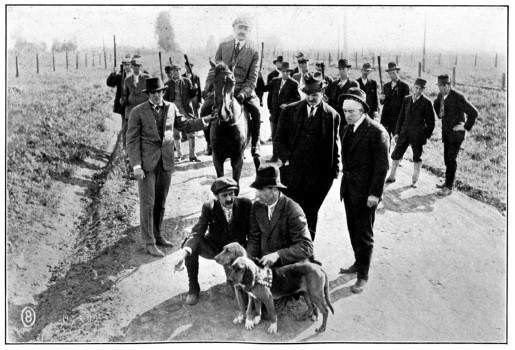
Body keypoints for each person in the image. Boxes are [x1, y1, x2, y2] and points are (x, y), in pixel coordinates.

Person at [126, 77, 215, 257]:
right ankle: (148, 242)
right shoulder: (138, 112)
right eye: (153, 93)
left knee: (161, 202)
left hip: (166, 161)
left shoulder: (172, 108)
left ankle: (158, 235)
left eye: (159, 92)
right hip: (146, 164)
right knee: (147, 203)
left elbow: (185, 125)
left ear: (163, 92)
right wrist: (136, 165)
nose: (157, 95)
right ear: (148, 94)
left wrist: (206, 120)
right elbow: (132, 140)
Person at [274, 72, 340, 241]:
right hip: (292, 175)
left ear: (322, 94)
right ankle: (289, 250)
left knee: (311, 214)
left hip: (317, 179)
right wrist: (286, 160)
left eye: (315, 95)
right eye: (308, 94)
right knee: (292, 212)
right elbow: (279, 139)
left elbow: (334, 146)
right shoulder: (290, 111)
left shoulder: (332, 115)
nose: (311, 98)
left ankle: (307, 252)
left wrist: (333, 172)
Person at [169, 177, 252, 305]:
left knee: (238, 295)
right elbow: (198, 231)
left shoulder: (245, 204)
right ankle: (193, 287)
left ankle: (234, 277)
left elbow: (253, 233)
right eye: (224, 195)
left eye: (231, 194)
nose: (229, 199)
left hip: (238, 252)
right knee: (191, 244)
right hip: (218, 250)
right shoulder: (209, 207)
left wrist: (248, 257)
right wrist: (183, 254)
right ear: (217, 196)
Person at [339, 88, 389, 294]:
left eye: (351, 111)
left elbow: (382, 167)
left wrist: (374, 194)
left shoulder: (377, 132)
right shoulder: (347, 129)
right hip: (350, 191)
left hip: (366, 194)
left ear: (362, 110)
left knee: (364, 234)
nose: (347, 115)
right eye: (344, 111)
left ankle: (363, 276)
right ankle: (358, 263)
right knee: (353, 230)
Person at [201, 15, 262, 157]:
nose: (242, 31)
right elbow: (213, 70)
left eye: (246, 28)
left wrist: (243, 94)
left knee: (256, 111)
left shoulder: (254, 52)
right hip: (222, 88)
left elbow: (252, 79)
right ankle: (209, 143)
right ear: (234, 28)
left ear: (249, 31)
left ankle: (255, 144)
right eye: (240, 27)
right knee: (204, 110)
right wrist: (207, 87)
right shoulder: (223, 46)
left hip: (241, 91)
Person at [247, 165, 314, 268]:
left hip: (288, 268)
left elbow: (306, 247)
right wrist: (249, 261)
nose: (257, 195)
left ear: (274, 189)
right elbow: (253, 238)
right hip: (264, 267)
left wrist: (277, 255)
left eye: (261, 190)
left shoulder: (292, 209)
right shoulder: (257, 207)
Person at [433, 74, 478, 196]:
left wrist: (465, 126)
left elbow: (473, 112)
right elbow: (436, 103)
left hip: (456, 135)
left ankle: (448, 187)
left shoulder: (458, 97)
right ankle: (447, 182)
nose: (441, 88)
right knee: (447, 158)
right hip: (446, 133)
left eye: (443, 86)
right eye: (439, 86)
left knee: (451, 159)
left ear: (449, 85)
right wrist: (439, 114)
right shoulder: (441, 96)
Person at [386, 78, 436, 187]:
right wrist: (397, 132)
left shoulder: (427, 103)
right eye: (416, 88)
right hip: (404, 133)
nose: (418, 91)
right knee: (396, 154)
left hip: (417, 135)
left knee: (417, 156)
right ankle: (392, 175)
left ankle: (415, 179)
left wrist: (425, 136)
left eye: (421, 89)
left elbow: (431, 123)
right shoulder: (406, 99)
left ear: (423, 90)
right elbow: (401, 117)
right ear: (413, 87)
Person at [260, 61, 301, 162]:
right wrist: (259, 77)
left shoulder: (293, 84)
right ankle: (275, 156)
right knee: (274, 136)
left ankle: (286, 157)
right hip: (274, 114)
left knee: (285, 136)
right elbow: (264, 88)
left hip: (286, 116)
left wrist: (287, 104)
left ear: (290, 72)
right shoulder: (275, 81)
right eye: (284, 71)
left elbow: (297, 99)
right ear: (281, 71)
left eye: (288, 72)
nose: (285, 73)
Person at [163, 64, 200, 163]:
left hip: (186, 110)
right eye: (173, 71)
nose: (175, 73)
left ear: (180, 71)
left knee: (191, 133)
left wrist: (195, 89)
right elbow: (165, 99)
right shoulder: (168, 84)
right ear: (171, 73)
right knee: (176, 134)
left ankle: (192, 155)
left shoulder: (187, 81)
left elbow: (192, 94)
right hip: (174, 111)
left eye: (177, 70)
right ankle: (178, 155)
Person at [106, 54, 132, 149]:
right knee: (125, 125)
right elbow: (110, 83)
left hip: (134, 104)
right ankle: (124, 147)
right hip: (124, 105)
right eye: (125, 65)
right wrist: (113, 74)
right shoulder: (120, 76)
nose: (126, 67)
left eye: (128, 64)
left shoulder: (136, 75)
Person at [379, 62, 410, 140]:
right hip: (386, 119)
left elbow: (407, 105)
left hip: (398, 119)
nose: (392, 75)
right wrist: (382, 99)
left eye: (393, 73)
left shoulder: (404, 87)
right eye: (390, 73)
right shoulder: (385, 86)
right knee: (385, 141)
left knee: (399, 142)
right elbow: (382, 102)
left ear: (397, 72)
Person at [326, 59, 359, 126]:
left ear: (348, 69)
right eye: (340, 69)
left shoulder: (354, 84)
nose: (341, 71)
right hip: (334, 117)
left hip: (347, 119)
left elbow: (356, 102)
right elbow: (329, 99)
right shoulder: (334, 84)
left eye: (343, 69)